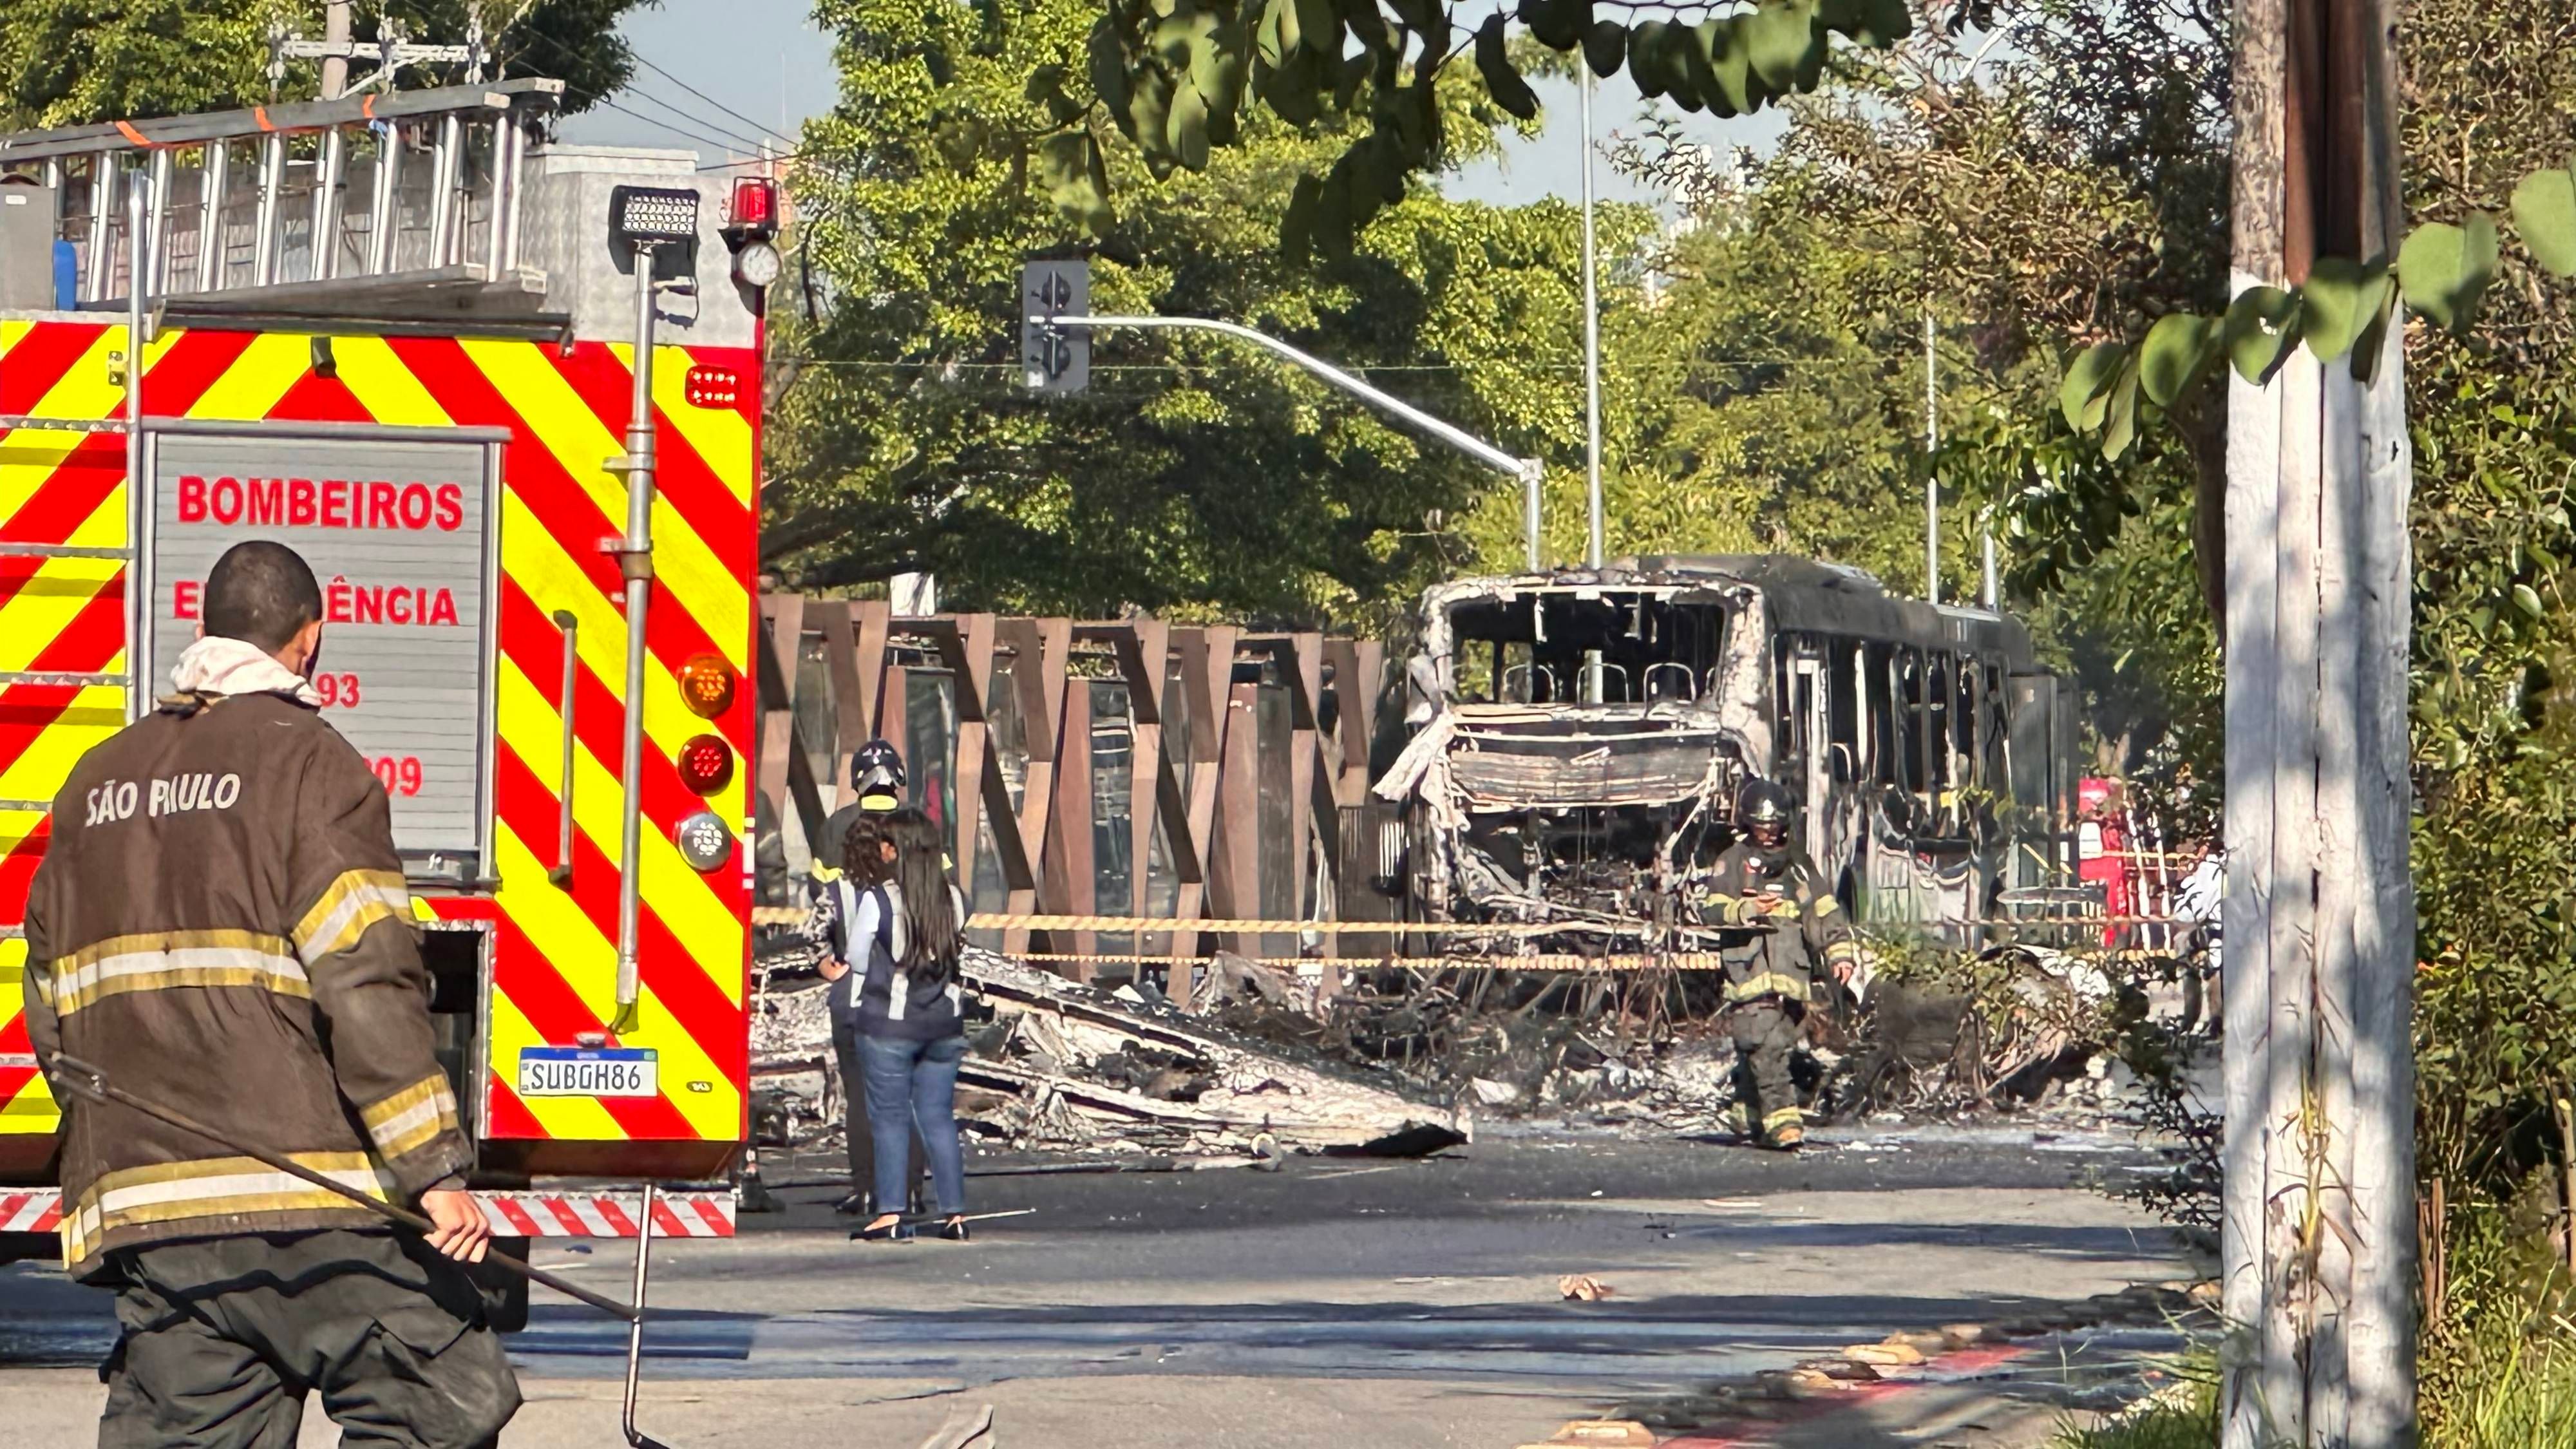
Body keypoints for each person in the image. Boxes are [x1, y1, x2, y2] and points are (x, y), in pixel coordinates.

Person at [18, 540, 518, 1448]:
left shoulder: (92, 782)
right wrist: (436, 1174)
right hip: (308, 1197)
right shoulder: (312, 766)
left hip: (152, 1214)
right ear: (309, 639)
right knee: (444, 1398)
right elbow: (366, 984)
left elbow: (53, 1003)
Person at [1702, 779, 1860, 1151]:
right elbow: (1710, 908)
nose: (1768, 833)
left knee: (1774, 1046)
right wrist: (1747, 910)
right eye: (1760, 826)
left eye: (1773, 826)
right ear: (1747, 824)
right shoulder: (1733, 861)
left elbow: (1824, 911)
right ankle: (1783, 1123)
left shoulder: (1799, 866)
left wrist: (1840, 953)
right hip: (1750, 975)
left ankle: (1748, 1113)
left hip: (1792, 975)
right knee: (1766, 1044)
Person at [852, 807, 972, 1243]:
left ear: (895, 850)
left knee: (889, 1119)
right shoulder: (956, 898)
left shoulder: (879, 899)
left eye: (885, 843)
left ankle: (890, 1214)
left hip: (890, 1026)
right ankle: (954, 1214)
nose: (881, 849)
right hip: (944, 1025)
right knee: (938, 1117)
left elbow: (857, 958)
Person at [800, 811, 922, 1219]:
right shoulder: (905, 893)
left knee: (859, 1098)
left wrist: (826, 966)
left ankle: (866, 1186)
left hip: (851, 1005)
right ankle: (909, 1188)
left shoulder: (836, 891)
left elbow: (813, 934)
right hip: (900, 1007)